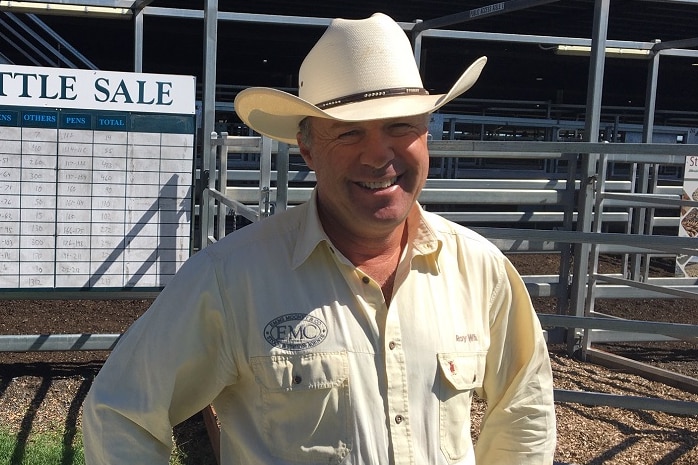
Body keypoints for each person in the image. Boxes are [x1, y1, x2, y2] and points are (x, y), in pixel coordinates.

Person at [83, 12, 556, 465]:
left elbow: (525, 408)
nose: (379, 156)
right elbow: (121, 412)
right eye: (348, 134)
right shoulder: (232, 279)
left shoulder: (480, 268)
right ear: (307, 147)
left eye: (400, 127)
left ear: (426, 134)